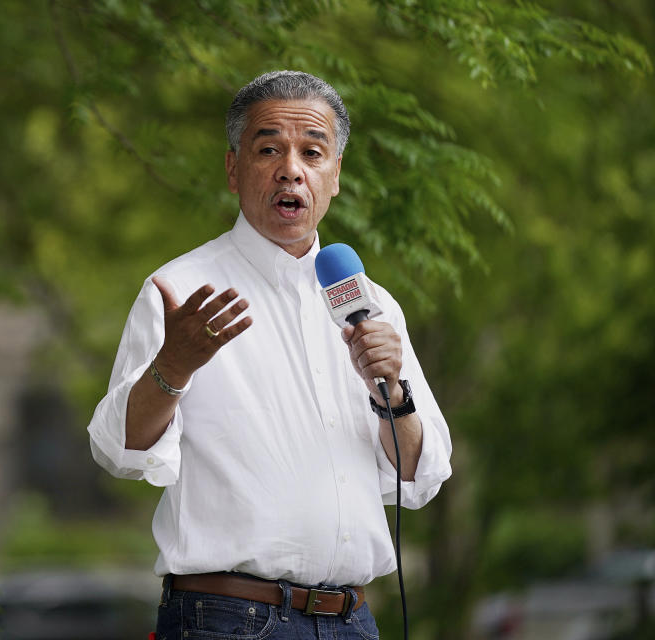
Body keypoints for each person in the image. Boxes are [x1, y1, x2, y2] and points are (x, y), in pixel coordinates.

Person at [87, 70, 452, 639]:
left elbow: (418, 477)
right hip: (228, 619)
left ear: (335, 177)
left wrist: (393, 394)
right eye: (268, 149)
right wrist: (173, 366)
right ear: (234, 170)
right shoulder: (180, 290)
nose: (291, 169)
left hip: (352, 621)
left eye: (313, 151)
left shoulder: (371, 304)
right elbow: (121, 451)